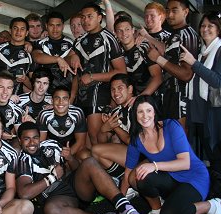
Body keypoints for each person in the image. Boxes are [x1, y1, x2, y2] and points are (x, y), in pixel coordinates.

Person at [16, 121, 153, 214]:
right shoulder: (22, 160)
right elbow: (24, 193)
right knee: (51, 211)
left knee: (89, 162)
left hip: (76, 185)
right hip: (58, 197)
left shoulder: (50, 144)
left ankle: (126, 209)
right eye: (26, 139)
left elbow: (76, 168)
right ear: (20, 140)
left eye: (35, 138)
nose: (32, 143)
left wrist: (70, 158)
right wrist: (51, 177)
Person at [122, 95, 221, 214]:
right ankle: (156, 210)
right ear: (135, 115)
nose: (144, 115)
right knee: (140, 176)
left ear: (155, 112)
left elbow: (185, 163)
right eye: (140, 111)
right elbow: (127, 173)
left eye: (148, 110)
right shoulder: (136, 139)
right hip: (171, 177)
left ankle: (213, 206)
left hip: (193, 177)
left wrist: (154, 166)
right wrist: (121, 206)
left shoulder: (171, 126)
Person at [180, 12, 221, 180]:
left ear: (219, 29)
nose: (205, 29)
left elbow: (218, 80)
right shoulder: (202, 52)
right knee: (216, 162)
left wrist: (194, 63)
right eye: (203, 26)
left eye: (210, 26)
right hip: (205, 116)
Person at [71, 2, 127, 146]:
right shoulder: (79, 41)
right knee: (86, 142)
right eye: (83, 17)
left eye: (90, 16)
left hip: (99, 94)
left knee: (97, 140)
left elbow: (121, 71)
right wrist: (73, 56)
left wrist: (92, 77)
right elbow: (68, 60)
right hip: (81, 97)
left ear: (99, 18)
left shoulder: (109, 39)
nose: (85, 20)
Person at [147, 0, 200, 130]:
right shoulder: (174, 35)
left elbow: (187, 74)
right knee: (169, 142)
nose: (169, 14)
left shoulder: (187, 34)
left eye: (174, 10)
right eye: (167, 10)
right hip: (169, 95)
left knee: (180, 143)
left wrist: (158, 59)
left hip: (181, 95)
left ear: (186, 12)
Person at [91, 74, 133, 178]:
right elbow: (102, 142)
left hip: (145, 154)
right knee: (97, 151)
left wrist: (115, 127)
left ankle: (127, 180)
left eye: (120, 88)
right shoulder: (116, 112)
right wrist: (104, 129)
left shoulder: (140, 106)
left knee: (97, 150)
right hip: (130, 151)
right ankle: (123, 179)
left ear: (130, 89)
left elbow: (131, 141)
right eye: (113, 89)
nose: (116, 93)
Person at [114, 16, 162, 100]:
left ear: (133, 30)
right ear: (115, 33)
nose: (124, 33)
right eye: (119, 31)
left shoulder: (144, 47)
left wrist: (139, 98)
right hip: (129, 101)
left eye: (127, 29)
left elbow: (158, 77)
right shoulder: (116, 53)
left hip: (150, 99)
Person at [37, 86, 86, 160]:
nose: (61, 102)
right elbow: (41, 142)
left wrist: (67, 155)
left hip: (73, 150)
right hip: (51, 150)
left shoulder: (77, 113)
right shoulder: (44, 115)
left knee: (85, 155)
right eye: (57, 98)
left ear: (69, 101)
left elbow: (80, 142)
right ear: (52, 100)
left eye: (65, 98)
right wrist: (55, 156)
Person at [32, 11, 75, 95]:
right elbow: (37, 57)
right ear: (46, 26)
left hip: (65, 93)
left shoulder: (72, 43)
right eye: (52, 25)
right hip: (44, 93)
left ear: (63, 26)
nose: (55, 29)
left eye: (58, 25)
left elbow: (75, 66)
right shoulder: (40, 43)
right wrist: (58, 59)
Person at [0, 17, 33, 95]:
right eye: (15, 28)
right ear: (10, 30)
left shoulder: (29, 54)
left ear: (26, 33)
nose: (18, 32)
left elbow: (33, 86)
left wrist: (24, 79)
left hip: (16, 99)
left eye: (22, 29)